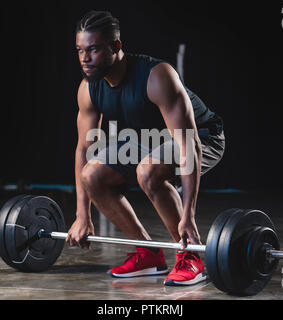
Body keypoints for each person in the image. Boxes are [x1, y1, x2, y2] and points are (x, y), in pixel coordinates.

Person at [66, 10, 225, 286]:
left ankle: (191, 255)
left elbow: (189, 146)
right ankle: (148, 253)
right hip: (149, 141)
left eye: (92, 49)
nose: (84, 58)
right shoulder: (89, 88)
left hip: (203, 137)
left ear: (115, 46)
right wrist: (82, 215)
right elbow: (83, 150)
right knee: (92, 175)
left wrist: (188, 216)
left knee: (148, 172)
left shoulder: (157, 77)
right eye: (80, 50)